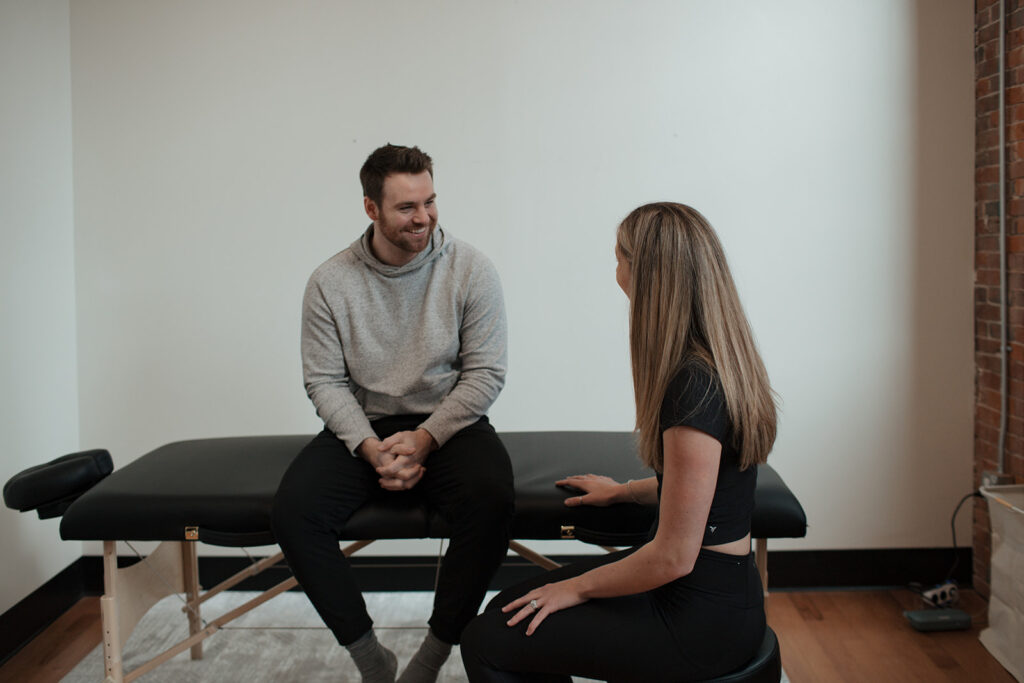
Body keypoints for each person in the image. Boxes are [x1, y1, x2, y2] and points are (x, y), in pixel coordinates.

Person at [460, 202, 778, 682]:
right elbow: (702, 486)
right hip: (719, 594)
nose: (616, 272)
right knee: (510, 607)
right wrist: (625, 490)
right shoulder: (717, 360)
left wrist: (579, 588)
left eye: (619, 259)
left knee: (487, 641)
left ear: (649, 276)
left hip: (700, 620)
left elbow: (672, 557)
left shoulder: (692, 385)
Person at [272, 144, 514, 683]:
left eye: (430, 201)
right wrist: (370, 447)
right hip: (366, 428)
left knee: (492, 498)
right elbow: (325, 382)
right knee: (294, 511)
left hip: (451, 423)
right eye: (407, 207)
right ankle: (370, 660)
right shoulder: (330, 282)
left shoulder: (471, 269)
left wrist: (426, 438)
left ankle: (432, 655)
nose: (423, 217)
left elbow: (485, 374)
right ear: (370, 209)